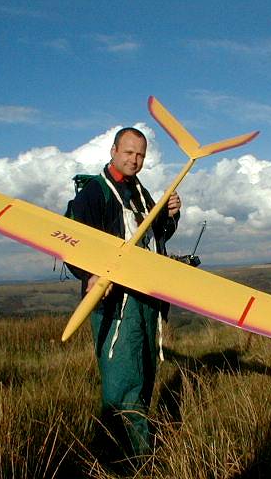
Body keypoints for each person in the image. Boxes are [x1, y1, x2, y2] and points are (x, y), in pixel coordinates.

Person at [68, 127, 181, 457]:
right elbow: (74, 241)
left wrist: (170, 216)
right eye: (129, 152)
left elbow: (153, 238)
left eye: (141, 155)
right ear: (114, 150)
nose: (135, 159)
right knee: (124, 381)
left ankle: (123, 450)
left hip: (146, 300)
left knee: (145, 375)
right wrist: (89, 275)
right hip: (116, 303)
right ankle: (131, 460)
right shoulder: (94, 192)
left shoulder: (140, 193)